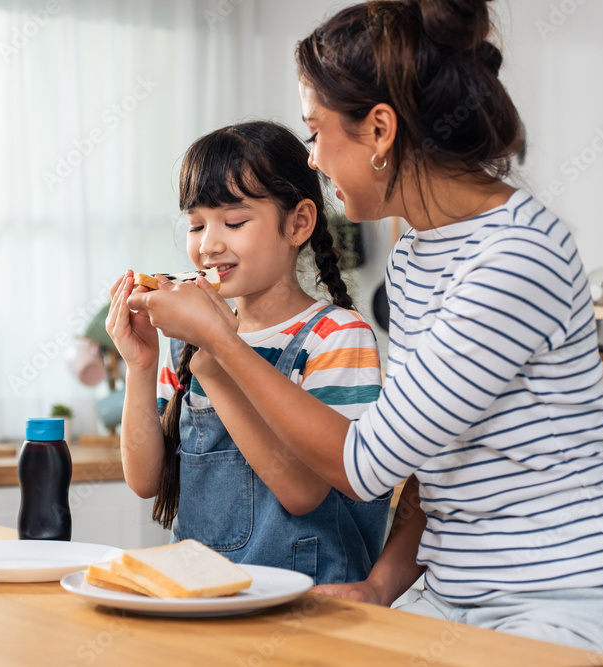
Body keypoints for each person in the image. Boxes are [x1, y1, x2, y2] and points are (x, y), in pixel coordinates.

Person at [123, 0, 603, 662]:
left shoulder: (518, 257)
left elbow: (364, 463)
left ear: (379, 130)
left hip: (567, 598)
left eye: (316, 132)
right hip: (450, 593)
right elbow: (434, 464)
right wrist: (380, 585)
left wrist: (221, 342)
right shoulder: (416, 255)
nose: (312, 158)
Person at [106, 120, 390, 585]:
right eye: (196, 224)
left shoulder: (337, 336)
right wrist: (140, 365)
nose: (208, 245)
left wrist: (217, 364)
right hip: (206, 597)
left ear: (297, 223)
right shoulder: (184, 337)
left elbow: (302, 492)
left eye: (234, 222)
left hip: (312, 609)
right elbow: (146, 481)